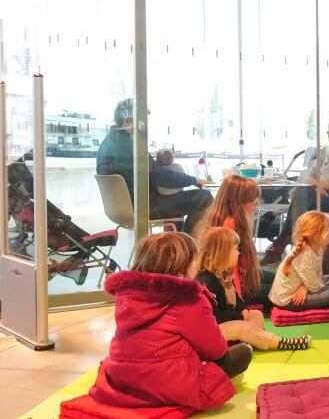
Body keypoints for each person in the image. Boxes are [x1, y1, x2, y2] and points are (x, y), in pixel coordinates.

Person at [89, 232, 252, 411]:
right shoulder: (187, 298)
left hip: (121, 379)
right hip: (169, 383)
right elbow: (216, 349)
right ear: (186, 264)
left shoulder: (127, 295)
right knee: (243, 352)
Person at [96, 99, 212, 233]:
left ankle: (178, 244)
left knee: (180, 198)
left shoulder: (108, 142)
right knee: (204, 197)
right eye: (142, 122)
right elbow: (160, 175)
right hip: (144, 206)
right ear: (127, 121)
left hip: (119, 209)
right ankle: (187, 247)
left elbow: (152, 172)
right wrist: (193, 180)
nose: (145, 127)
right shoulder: (131, 147)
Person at [262, 114, 329, 264]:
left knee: (304, 193)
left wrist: (322, 184)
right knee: (304, 191)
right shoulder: (326, 151)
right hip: (315, 194)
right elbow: (310, 173)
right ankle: (294, 242)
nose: (327, 132)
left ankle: (285, 240)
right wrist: (316, 184)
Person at [196, 227, 311, 351]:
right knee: (240, 327)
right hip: (212, 331)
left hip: (231, 322)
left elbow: (237, 299)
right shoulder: (206, 281)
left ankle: (250, 341)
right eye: (235, 249)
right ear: (222, 253)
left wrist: (243, 310)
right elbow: (214, 315)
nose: (238, 253)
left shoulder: (224, 275)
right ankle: (280, 342)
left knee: (256, 314)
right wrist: (239, 316)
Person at [194, 175, 266, 306]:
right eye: (252, 201)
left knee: (278, 278)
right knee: (282, 288)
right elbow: (230, 268)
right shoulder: (230, 224)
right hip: (236, 286)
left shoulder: (227, 219)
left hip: (241, 280)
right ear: (237, 202)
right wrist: (238, 300)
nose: (256, 205)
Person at [269, 211, 329, 311]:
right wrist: (308, 287)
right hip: (289, 301)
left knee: (328, 278)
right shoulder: (305, 255)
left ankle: (322, 299)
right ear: (316, 236)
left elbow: (318, 275)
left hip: (304, 288)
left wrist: (304, 288)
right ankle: (328, 301)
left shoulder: (319, 248)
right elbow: (315, 287)